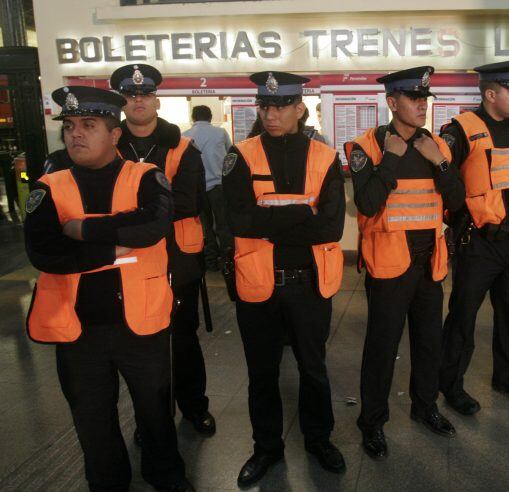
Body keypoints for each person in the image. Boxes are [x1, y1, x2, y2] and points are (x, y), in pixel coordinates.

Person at [24, 85, 192, 491]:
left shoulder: (146, 177)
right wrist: (115, 246)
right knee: (92, 421)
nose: (76, 134)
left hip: (142, 325)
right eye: (70, 126)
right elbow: (46, 253)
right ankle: (108, 483)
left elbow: (153, 226)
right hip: (77, 330)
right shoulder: (48, 186)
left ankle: (165, 476)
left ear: (115, 134)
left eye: (89, 124)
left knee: (155, 413)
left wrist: (80, 229)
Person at [222, 71, 346, 487]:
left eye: (280, 106)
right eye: (265, 106)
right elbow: (236, 220)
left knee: (313, 368)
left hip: (309, 283)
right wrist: (300, 212)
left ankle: (319, 439)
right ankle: (266, 448)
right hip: (259, 283)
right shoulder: (240, 155)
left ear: (299, 108)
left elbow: (329, 228)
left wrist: (267, 218)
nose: (271, 114)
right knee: (262, 372)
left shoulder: (325, 157)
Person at [345, 66, 464, 460]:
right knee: (382, 348)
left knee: (429, 343)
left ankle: (425, 407)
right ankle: (373, 422)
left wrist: (441, 164)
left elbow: (457, 203)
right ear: (392, 102)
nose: (420, 105)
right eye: (413, 98)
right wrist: (390, 162)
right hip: (388, 266)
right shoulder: (365, 146)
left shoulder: (438, 146)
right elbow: (366, 204)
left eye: (424, 98)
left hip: (429, 263)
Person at [110, 64, 216, 436]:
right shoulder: (112, 144)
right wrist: (154, 203)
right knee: (141, 346)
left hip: (176, 261)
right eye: (130, 95)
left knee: (183, 340)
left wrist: (133, 209)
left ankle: (194, 407)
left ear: (156, 99)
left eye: (145, 94)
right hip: (129, 262)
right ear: (123, 102)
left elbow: (189, 202)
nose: (138, 101)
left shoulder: (182, 147)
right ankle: (151, 419)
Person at [439, 59, 509, 415]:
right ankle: (451, 385)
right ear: (490, 93)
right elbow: (442, 180)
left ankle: (508, 376)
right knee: (463, 316)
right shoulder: (461, 130)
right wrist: (456, 223)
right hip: (479, 242)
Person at [183, 105, 234, 272]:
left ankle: (211, 261)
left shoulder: (184, 137)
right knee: (223, 224)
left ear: (193, 117)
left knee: (205, 226)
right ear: (210, 117)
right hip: (219, 186)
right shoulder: (220, 133)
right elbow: (230, 156)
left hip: (197, 189)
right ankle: (228, 259)